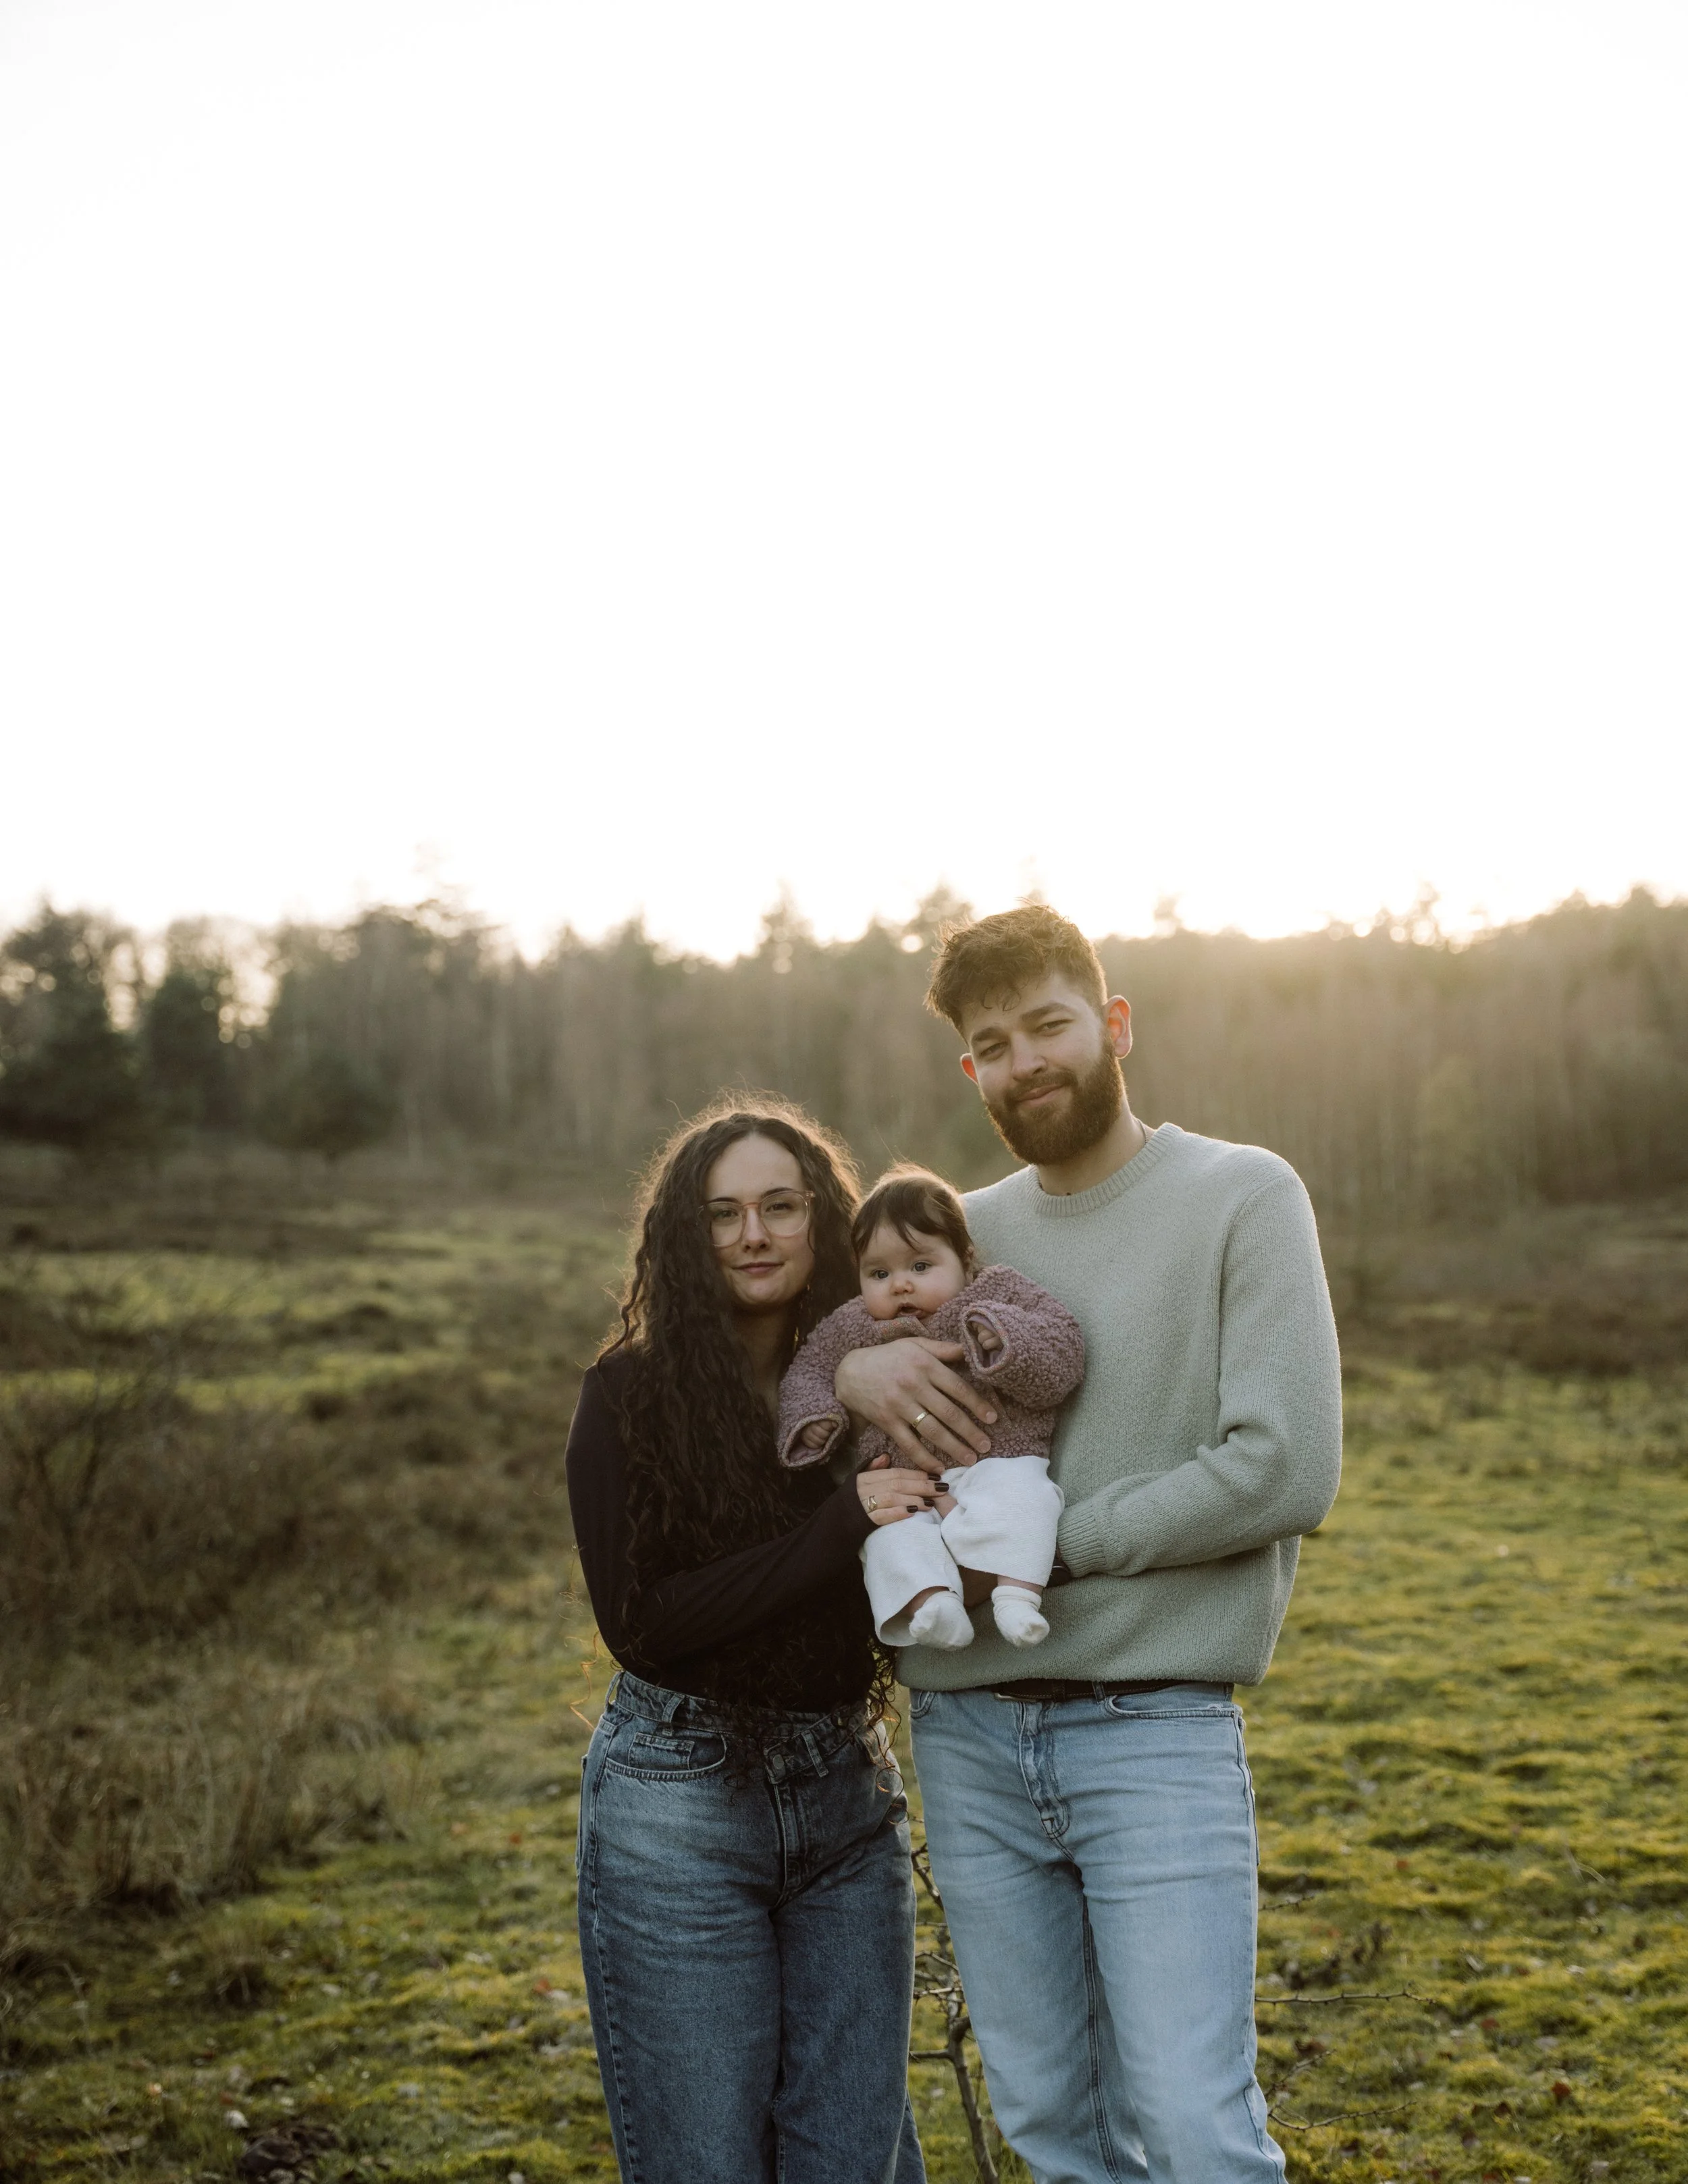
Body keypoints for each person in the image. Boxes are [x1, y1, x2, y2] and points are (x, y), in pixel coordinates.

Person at [833, 907, 1344, 2184]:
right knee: (1056, 2131)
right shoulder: (961, 1236)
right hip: (968, 1742)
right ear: (972, 1073)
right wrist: (859, 1381)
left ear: (1114, 1025)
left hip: (1155, 1731)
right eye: (992, 1044)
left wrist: (1058, 1546)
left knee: (1191, 2131)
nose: (1026, 1062)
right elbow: (842, 1355)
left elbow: (1285, 1464)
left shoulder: (1241, 1196)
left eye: (1049, 1025)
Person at [564, 1097, 934, 2184]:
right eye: (724, 1214)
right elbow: (642, 1624)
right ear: (688, 1234)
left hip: (845, 1795)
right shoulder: (625, 1395)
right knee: (707, 2163)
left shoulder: (876, 1379)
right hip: (677, 1808)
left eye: (781, 1205)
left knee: (849, 2159)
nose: (755, 1234)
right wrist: (837, 1524)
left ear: (825, 1219)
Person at [777, 1163, 1084, 1649]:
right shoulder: (853, 1325)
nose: (900, 1284)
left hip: (996, 1457)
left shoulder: (993, 1292)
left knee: (1028, 1499)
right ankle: (932, 1603)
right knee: (885, 1537)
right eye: (879, 1272)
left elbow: (1062, 1345)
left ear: (965, 1258)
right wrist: (816, 1418)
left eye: (920, 1266)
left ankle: (1018, 1595)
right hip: (907, 1483)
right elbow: (809, 1369)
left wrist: (1001, 1335)